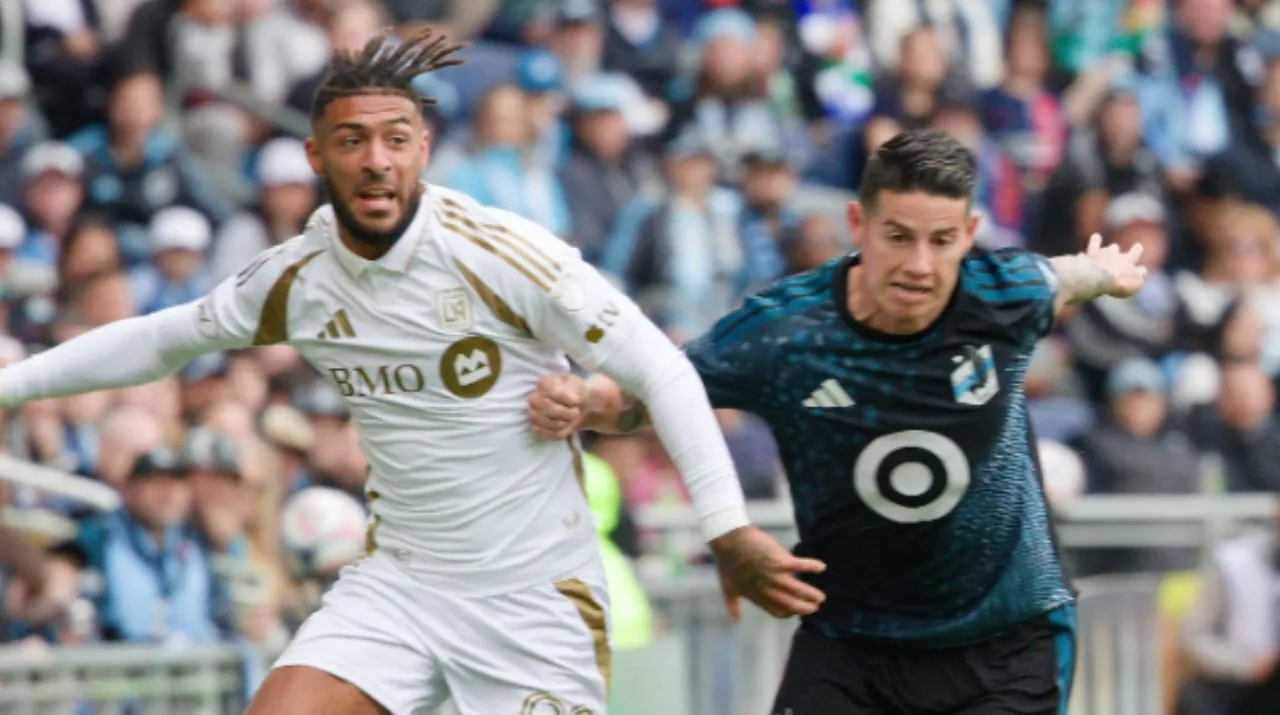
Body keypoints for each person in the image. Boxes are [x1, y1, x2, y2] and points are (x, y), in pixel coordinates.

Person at [0, 29, 824, 715]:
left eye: (395, 139)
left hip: (532, 602)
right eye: (352, 141)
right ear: (315, 154)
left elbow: (662, 369)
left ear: (422, 148)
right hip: (401, 589)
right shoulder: (299, 279)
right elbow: (159, 338)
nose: (375, 161)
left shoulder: (500, 253)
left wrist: (726, 527)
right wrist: (14, 384)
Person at [528, 129, 1149, 714]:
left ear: (969, 233)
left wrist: (1105, 273)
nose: (920, 266)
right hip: (853, 642)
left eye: (941, 241)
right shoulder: (786, 332)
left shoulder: (1004, 295)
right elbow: (658, 391)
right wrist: (583, 401)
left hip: (1009, 635)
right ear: (858, 225)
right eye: (898, 237)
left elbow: (1064, 277)